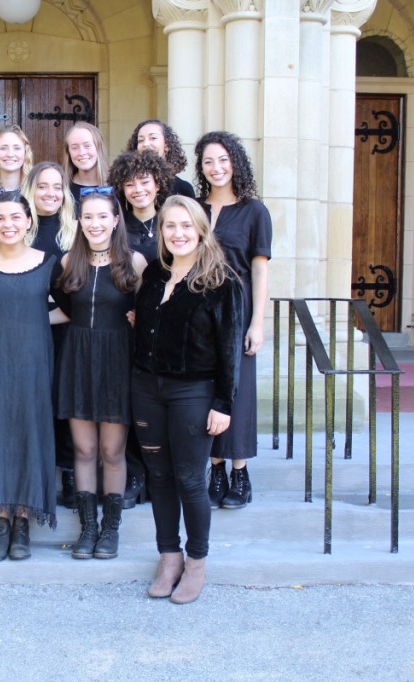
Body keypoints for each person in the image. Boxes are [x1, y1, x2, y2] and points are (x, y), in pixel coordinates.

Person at [132, 194, 243, 604]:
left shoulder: (222, 281)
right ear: (160, 232)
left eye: (185, 225)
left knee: (190, 479)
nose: (177, 233)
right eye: (169, 226)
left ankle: (196, 561)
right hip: (146, 388)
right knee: (158, 477)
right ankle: (169, 556)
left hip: (193, 393)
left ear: (200, 229)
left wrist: (224, 404)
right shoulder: (155, 276)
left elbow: (230, 349)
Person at [0, 192, 65, 562]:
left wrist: (31, 320)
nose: (8, 225)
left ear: (27, 221)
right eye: (0, 218)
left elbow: (70, 310)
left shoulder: (48, 263)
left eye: (15, 218)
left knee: (27, 437)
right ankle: (0, 524)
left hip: (33, 366)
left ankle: (23, 524)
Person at [52, 186, 147, 560]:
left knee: (111, 450)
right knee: (84, 448)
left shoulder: (133, 262)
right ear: (79, 221)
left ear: (115, 219)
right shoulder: (66, 263)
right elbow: (61, 309)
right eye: (87, 217)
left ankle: (110, 530)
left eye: (102, 216)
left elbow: (150, 310)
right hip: (78, 357)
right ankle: (87, 529)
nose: (95, 223)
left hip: (117, 360)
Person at [194, 130, 273, 510]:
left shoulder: (254, 211)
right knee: (207, 387)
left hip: (238, 308)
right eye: (209, 161)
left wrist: (258, 322)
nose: (216, 167)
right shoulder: (194, 208)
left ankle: (240, 472)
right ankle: (217, 468)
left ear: (235, 162)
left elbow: (260, 271)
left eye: (223, 160)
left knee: (236, 391)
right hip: (198, 308)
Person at [107, 148, 175, 508]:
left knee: (162, 404)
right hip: (125, 327)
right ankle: (134, 473)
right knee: (133, 403)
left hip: (168, 329)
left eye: (144, 181)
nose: (137, 190)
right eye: (129, 184)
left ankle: (160, 474)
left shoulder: (172, 220)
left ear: (157, 182)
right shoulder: (118, 227)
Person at [21, 161, 79, 508]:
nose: (50, 193)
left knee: (64, 402)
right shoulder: (19, 227)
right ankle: (37, 475)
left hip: (65, 333)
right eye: (42, 186)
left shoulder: (74, 232)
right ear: (31, 189)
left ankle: (70, 473)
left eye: (57, 187)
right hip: (27, 336)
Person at [126, 119, 196, 198]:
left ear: (166, 144)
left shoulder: (183, 188)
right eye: (141, 140)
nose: (146, 144)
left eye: (153, 138)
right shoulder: (128, 186)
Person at [63, 122, 109, 200]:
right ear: (68, 152)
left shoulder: (116, 185)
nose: (81, 153)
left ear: (98, 148)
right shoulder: (62, 188)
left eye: (87, 145)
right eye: (74, 148)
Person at [0, 125, 33, 194]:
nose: (10, 154)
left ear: (25, 153)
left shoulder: (35, 189)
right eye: (3, 148)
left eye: (17, 148)